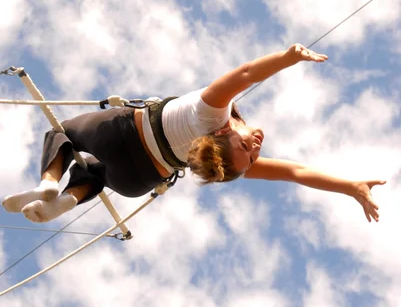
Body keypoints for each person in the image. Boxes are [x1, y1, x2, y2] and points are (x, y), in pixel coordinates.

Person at [2, 44, 385, 224]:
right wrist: (350, 187)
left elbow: (248, 72)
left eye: (245, 150)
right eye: (252, 154)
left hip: (120, 136)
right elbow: (296, 174)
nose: (254, 150)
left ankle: (50, 181)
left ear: (222, 135)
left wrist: (289, 58)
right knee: (96, 173)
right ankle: (67, 201)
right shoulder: (224, 153)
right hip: (137, 179)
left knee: (66, 133)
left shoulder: (211, 112)